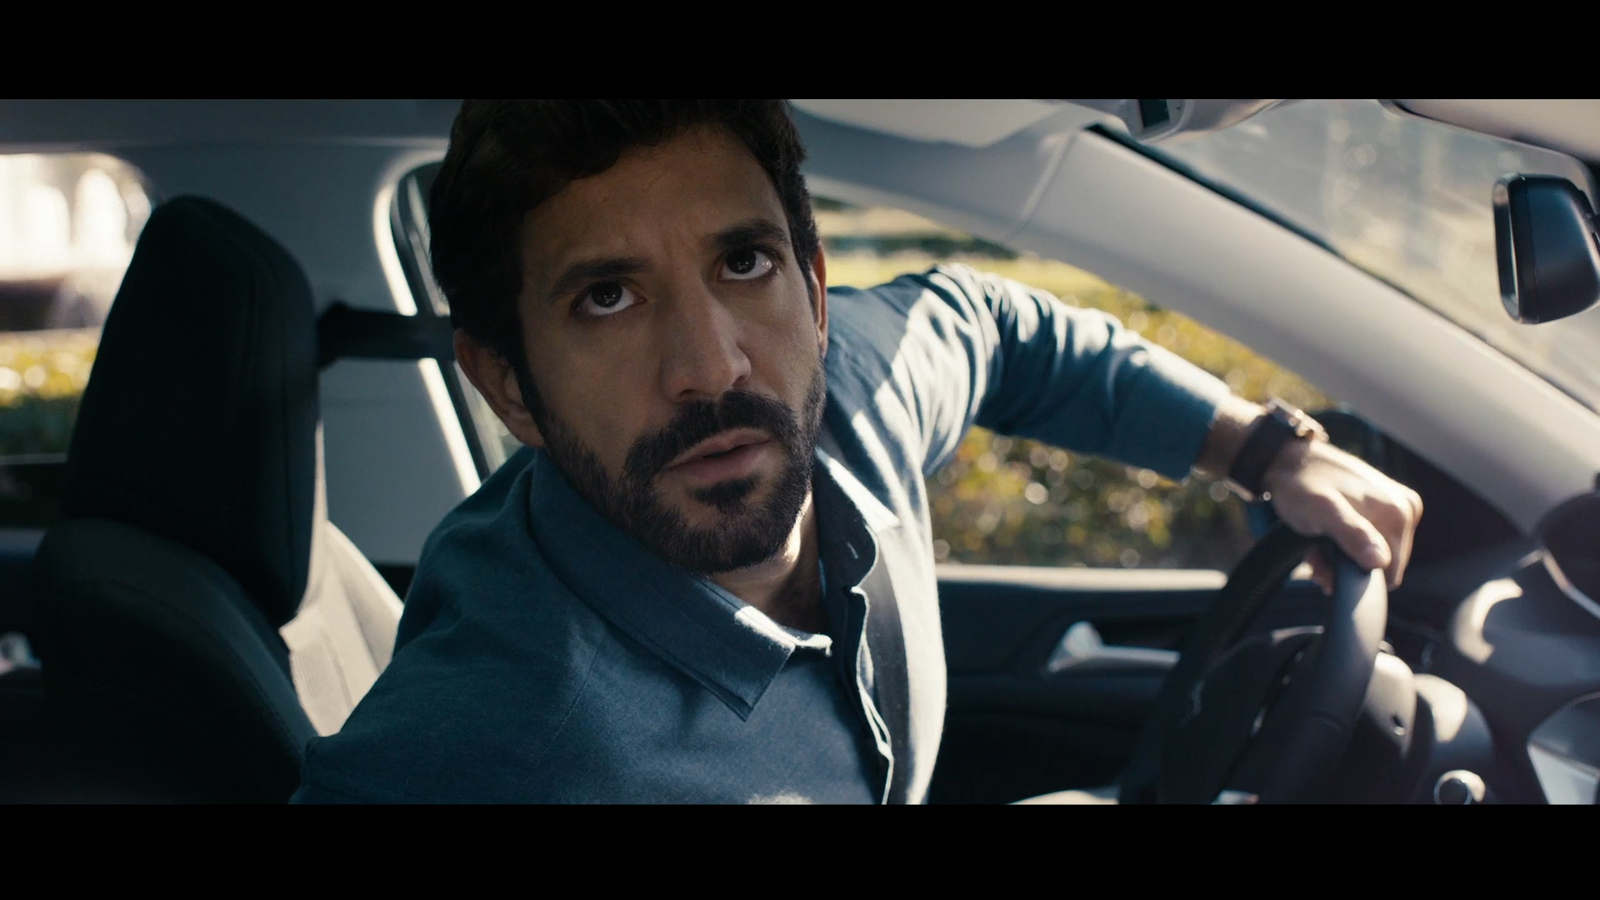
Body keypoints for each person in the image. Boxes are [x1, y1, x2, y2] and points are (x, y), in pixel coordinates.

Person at [292, 100, 1422, 804]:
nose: (712, 364)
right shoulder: (493, 742)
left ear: (816, 290)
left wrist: (1267, 449)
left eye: (743, 265)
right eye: (606, 296)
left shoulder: (856, 394)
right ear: (505, 385)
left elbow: (996, 326)